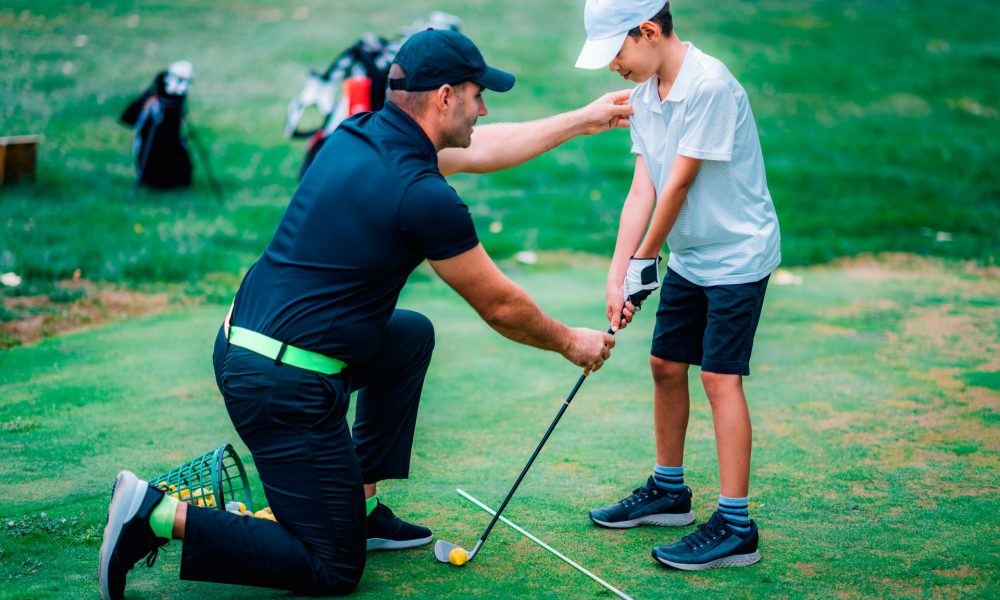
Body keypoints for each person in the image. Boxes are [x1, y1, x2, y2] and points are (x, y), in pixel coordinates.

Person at [99, 29, 631, 599]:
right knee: (332, 568)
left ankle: (361, 504)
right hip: (281, 388)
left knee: (408, 337)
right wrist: (570, 342)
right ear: (445, 97)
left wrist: (583, 119)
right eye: (478, 95)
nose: (484, 108)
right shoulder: (422, 194)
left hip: (250, 344)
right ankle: (154, 514)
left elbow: (484, 147)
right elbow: (500, 306)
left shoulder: (358, 134)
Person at [575, 0, 781, 571]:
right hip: (691, 253)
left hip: (737, 252)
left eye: (616, 52)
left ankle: (737, 526)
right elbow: (645, 187)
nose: (613, 66)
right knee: (666, 364)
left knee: (718, 377)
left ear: (647, 31)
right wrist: (620, 273)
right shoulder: (645, 94)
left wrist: (646, 262)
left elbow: (680, 185)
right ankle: (670, 492)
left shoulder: (711, 86)